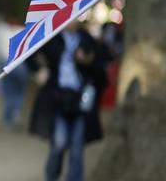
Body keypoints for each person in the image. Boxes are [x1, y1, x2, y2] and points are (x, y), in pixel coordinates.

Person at [28, 21, 107, 181]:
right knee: (59, 142)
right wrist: (39, 71)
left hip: (80, 101)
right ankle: (52, 176)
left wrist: (88, 62)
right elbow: (27, 54)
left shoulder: (87, 40)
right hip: (57, 99)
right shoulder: (52, 38)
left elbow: (101, 72)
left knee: (77, 147)